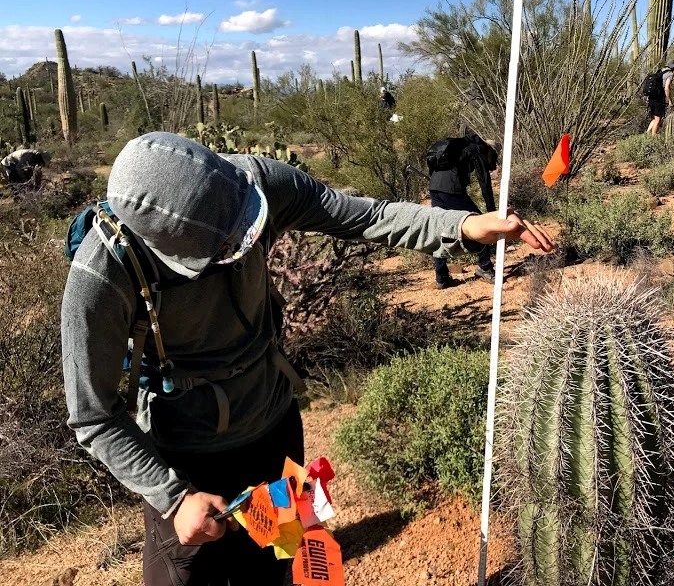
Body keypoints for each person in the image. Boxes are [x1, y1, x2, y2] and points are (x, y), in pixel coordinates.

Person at [61, 132, 553, 585]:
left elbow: (362, 215)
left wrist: (463, 225)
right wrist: (174, 498)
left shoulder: (252, 184)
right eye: (230, 247)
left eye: (249, 226)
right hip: (181, 458)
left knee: (282, 569)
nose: (250, 243)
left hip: (273, 431)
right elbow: (94, 415)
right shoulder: (102, 273)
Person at [428, 131, 499, 289]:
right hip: (452, 191)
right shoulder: (478, 149)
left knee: (440, 229)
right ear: (490, 150)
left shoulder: (460, 147)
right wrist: (491, 213)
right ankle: (485, 267)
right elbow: (484, 182)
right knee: (480, 223)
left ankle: (442, 277)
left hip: (435, 188)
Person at [646, 59, 674, 135]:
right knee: (658, 120)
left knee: (655, 118)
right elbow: (666, 88)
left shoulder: (660, 71)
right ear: (673, 67)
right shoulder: (670, 73)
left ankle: (647, 134)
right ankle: (653, 138)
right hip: (659, 98)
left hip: (651, 97)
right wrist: (670, 100)